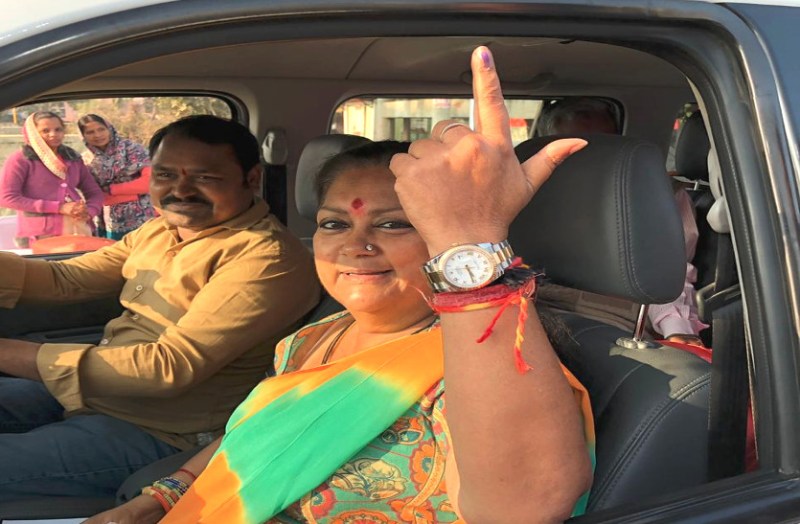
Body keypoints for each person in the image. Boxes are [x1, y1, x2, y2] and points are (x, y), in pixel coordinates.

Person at [86, 47, 594, 524]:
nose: (356, 246)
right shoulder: (312, 339)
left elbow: (521, 508)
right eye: (334, 224)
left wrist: (471, 241)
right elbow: (253, 436)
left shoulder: (491, 360)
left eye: (393, 224)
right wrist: (160, 498)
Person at [0, 115, 321, 500]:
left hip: (161, 432)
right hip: (99, 394)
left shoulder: (266, 258)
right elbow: (69, 278)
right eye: (165, 175)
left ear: (251, 179)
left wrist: (7, 353)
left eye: (204, 177)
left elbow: (168, 367)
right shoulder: (162, 229)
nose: (180, 190)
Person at [536, 97, 707, 345]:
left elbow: (666, 270)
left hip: (613, 318)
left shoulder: (656, 195)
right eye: (572, 146)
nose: (589, 154)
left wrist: (678, 330)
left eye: (602, 143)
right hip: (533, 304)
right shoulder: (529, 192)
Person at [0, 111, 105, 248]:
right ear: (33, 133)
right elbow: (6, 197)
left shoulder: (72, 157)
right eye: (45, 131)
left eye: (58, 129)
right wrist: (59, 208)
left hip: (79, 230)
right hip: (40, 235)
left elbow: (94, 192)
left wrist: (89, 212)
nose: (53, 134)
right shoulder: (21, 160)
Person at [78, 114, 158, 240]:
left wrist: (112, 190)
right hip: (107, 221)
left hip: (143, 216)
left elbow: (150, 182)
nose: (97, 135)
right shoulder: (85, 159)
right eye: (90, 132)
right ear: (83, 135)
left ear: (109, 128)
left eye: (101, 129)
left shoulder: (131, 149)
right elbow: (93, 194)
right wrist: (133, 194)